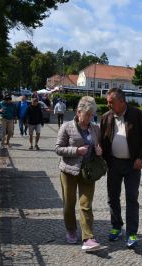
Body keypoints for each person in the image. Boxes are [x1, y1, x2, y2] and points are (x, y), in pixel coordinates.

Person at [100, 88, 142, 248]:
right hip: (114, 164)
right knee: (112, 197)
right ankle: (116, 227)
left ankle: (132, 233)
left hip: (132, 165)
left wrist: (140, 158)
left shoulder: (137, 115)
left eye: (111, 102)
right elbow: (102, 140)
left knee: (131, 198)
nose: (108, 105)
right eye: (108, 102)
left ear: (122, 102)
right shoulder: (106, 117)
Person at [55, 96, 103, 251]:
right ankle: (70, 229)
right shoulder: (67, 127)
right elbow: (58, 149)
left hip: (88, 173)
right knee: (69, 204)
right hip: (68, 171)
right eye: (87, 114)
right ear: (78, 112)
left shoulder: (95, 128)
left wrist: (99, 151)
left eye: (92, 115)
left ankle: (88, 238)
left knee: (86, 205)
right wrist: (76, 151)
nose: (90, 118)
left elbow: (99, 147)